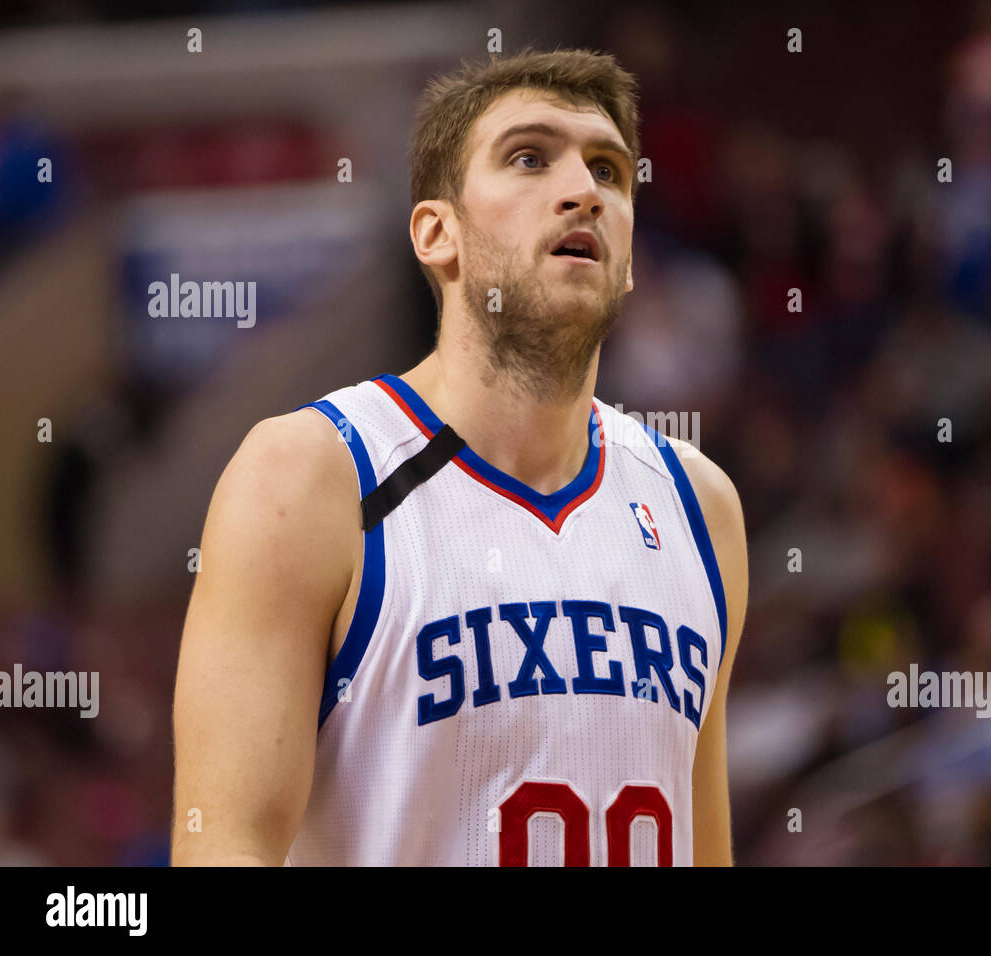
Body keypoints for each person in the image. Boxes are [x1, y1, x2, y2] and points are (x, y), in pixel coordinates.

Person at [170, 48, 747, 866]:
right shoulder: (311, 474)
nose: (584, 190)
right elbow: (225, 846)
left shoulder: (700, 505)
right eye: (529, 158)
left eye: (610, 172)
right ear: (438, 234)